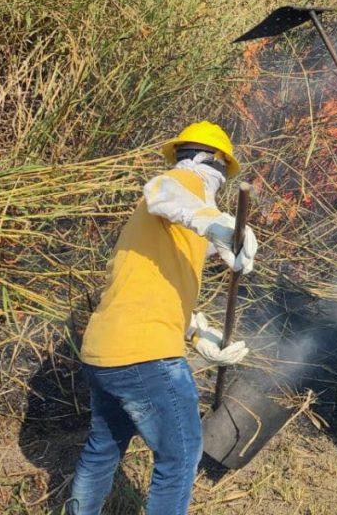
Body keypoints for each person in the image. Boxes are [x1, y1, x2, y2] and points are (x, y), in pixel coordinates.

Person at [67, 121, 258, 515]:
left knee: (103, 447)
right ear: (213, 162)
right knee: (181, 455)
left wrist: (198, 335)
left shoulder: (173, 229)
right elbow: (162, 191)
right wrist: (217, 223)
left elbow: (152, 293)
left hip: (104, 353)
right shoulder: (181, 184)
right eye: (222, 171)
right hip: (144, 356)